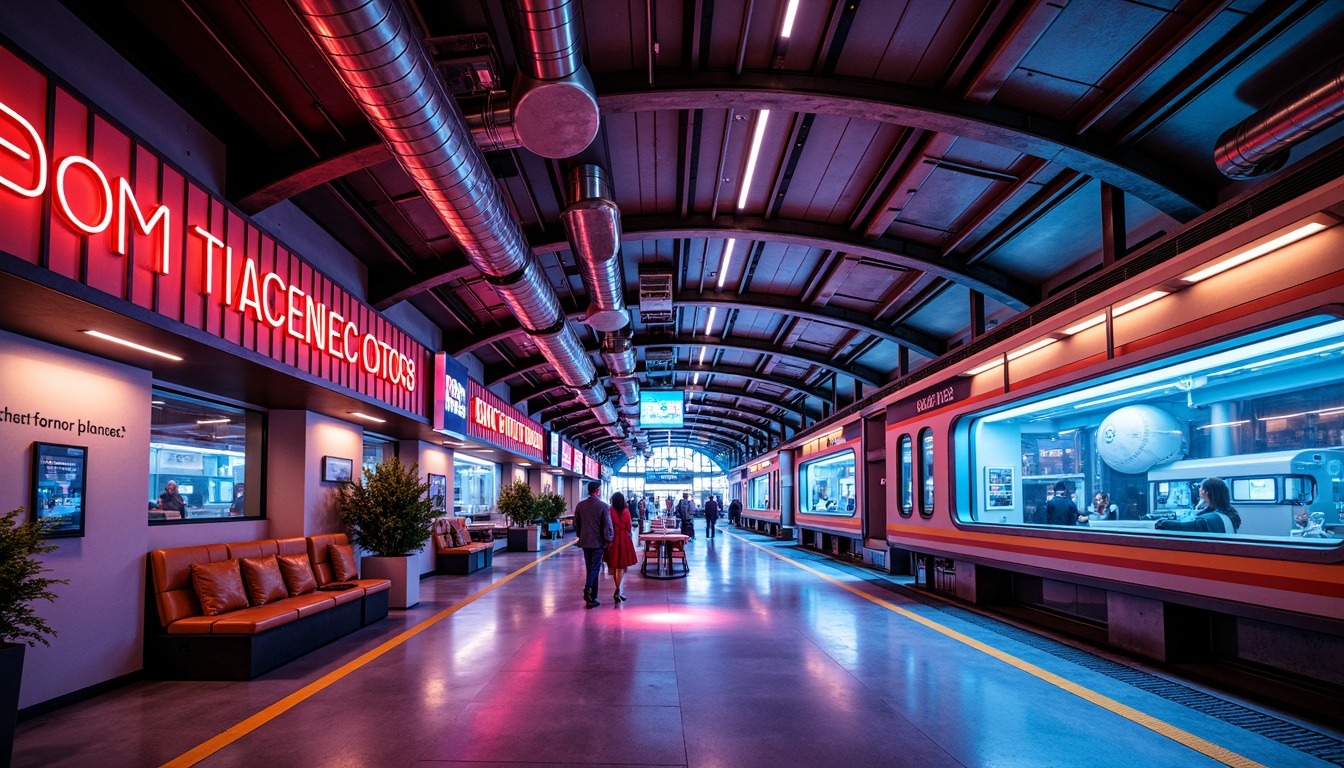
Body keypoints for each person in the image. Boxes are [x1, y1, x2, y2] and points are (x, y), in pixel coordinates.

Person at [573, 481, 614, 608]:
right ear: (597, 490)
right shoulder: (603, 506)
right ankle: (587, 589)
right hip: (597, 542)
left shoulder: (580, 505)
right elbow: (607, 525)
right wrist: (609, 539)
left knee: (590, 568)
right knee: (595, 568)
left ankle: (592, 598)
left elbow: (576, 523)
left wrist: (580, 536)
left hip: (585, 542)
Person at [1155, 477, 1241, 534]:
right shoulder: (1229, 513)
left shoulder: (1208, 519)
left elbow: (1186, 526)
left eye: (1201, 488)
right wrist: (1198, 507)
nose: (1199, 489)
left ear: (1206, 492)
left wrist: (1161, 523)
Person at [604, 492, 638, 602]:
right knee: (622, 566)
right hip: (624, 539)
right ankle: (619, 590)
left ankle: (618, 589)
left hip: (613, 540)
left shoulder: (610, 511)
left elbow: (608, 526)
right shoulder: (626, 511)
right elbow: (629, 527)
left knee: (614, 565)